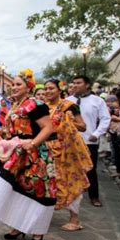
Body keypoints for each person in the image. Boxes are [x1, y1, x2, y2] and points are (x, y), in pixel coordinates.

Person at [0, 69, 55, 240]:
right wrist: (2, 133)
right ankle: (18, 225)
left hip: (34, 156)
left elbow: (48, 128)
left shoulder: (35, 104)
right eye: (13, 84)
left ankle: (38, 230)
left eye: (18, 84)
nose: (13, 87)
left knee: (36, 192)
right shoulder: (15, 105)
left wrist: (31, 144)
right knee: (15, 190)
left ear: (28, 87)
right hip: (16, 155)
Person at [44, 79, 92, 231]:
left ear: (60, 90)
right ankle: (45, 213)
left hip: (67, 150)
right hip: (48, 149)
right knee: (49, 182)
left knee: (71, 181)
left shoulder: (69, 106)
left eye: (51, 88)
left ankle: (75, 219)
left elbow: (83, 127)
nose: (48, 91)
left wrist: (70, 121)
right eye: (46, 89)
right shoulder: (43, 107)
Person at [67, 75, 110, 207]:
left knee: (90, 169)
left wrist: (96, 134)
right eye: (73, 83)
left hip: (89, 141)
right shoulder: (68, 101)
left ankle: (94, 196)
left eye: (79, 83)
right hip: (71, 141)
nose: (75, 85)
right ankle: (70, 195)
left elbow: (105, 118)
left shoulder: (97, 101)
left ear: (87, 84)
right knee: (70, 168)